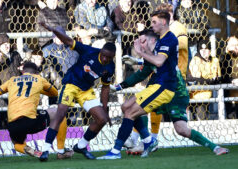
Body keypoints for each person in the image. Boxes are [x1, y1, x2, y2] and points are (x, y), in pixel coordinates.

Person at [110, 29, 229, 157]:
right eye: (138, 41)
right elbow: (142, 73)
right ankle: (145, 140)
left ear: (152, 41)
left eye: (142, 41)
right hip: (162, 91)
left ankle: (215, 147)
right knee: (130, 107)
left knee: (181, 129)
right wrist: (119, 86)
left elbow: (152, 67)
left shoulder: (161, 52)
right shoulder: (153, 55)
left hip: (176, 94)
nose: (139, 44)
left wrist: (137, 62)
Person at [97, 10, 178, 159]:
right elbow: (142, 73)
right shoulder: (160, 41)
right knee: (125, 106)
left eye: (154, 22)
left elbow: (159, 61)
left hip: (164, 87)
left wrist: (141, 53)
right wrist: (119, 86)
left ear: (164, 22)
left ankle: (115, 151)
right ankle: (148, 141)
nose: (151, 24)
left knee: (129, 113)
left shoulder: (169, 40)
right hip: (156, 86)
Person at [39, 22, 116, 161]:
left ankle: (81, 145)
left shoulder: (110, 67)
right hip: (71, 84)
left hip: (86, 90)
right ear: (101, 51)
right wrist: (52, 30)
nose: (105, 59)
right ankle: (45, 150)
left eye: (108, 57)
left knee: (102, 119)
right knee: (60, 114)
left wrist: (105, 108)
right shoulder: (89, 51)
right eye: (104, 55)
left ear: (113, 57)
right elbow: (68, 40)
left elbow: (105, 87)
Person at [0, 61, 74, 159]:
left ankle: (34, 152)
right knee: (58, 113)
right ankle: (61, 151)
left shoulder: (11, 81)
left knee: (16, 143)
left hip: (13, 125)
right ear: (36, 72)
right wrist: (39, 90)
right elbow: (54, 93)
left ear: (23, 71)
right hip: (31, 122)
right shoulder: (39, 79)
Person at [187, 40, 221, 120]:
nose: (204, 51)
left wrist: (209, 80)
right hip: (196, 97)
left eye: (206, 49)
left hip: (208, 95)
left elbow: (218, 77)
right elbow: (197, 79)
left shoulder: (214, 60)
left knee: (206, 119)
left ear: (210, 51)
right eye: (202, 50)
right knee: (200, 119)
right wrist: (210, 80)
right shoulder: (196, 60)